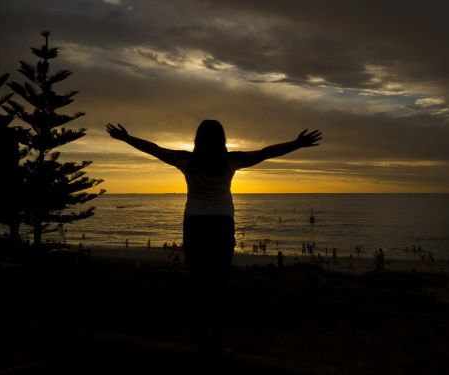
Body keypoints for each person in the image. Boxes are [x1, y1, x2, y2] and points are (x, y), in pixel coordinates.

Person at [107, 119, 322, 362]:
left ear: (197, 139)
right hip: (220, 225)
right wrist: (297, 144)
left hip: (195, 226)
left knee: (199, 286)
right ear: (223, 139)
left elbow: (154, 149)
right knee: (218, 287)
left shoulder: (187, 160)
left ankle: (202, 345)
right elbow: (265, 153)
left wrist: (127, 138)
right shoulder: (230, 160)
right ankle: (217, 347)